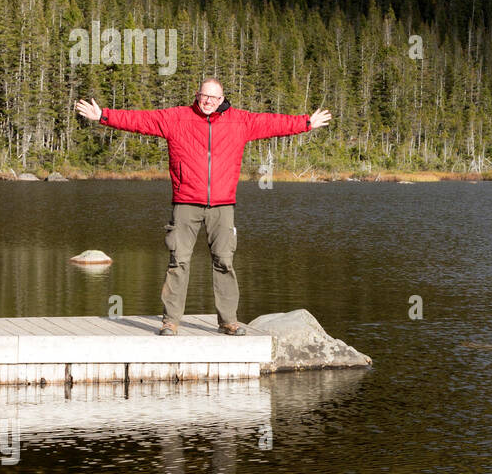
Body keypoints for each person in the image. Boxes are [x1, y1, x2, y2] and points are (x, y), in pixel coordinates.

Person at [75, 79, 331, 335]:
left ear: (222, 99)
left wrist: (306, 123)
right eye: (204, 96)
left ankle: (228, 321)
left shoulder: (240, 121)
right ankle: (170, 322)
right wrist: (103, 116)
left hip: (223, 206)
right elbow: (141, 120)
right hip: (185, 202)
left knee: (224, 262)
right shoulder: (176, 117)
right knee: (178, 262)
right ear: (197, 95)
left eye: (214, 98)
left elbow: (273, 123)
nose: (208, 101)